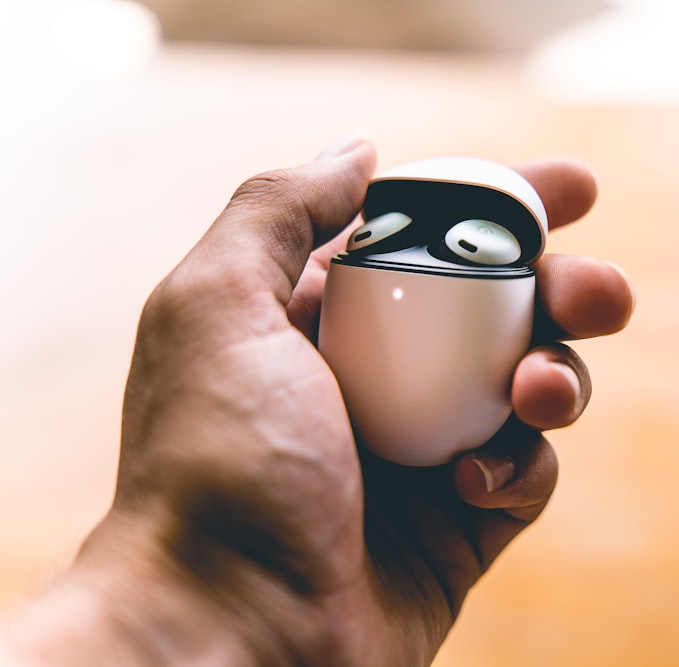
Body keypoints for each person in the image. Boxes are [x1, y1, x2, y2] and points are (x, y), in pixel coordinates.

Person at [0, 137, 634, 666]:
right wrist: (210, 587)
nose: (414, 253)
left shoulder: (375, 269)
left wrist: (205, 601)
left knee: (552, 367)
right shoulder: (365, 278)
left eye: (471, 240)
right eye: (390, 234)